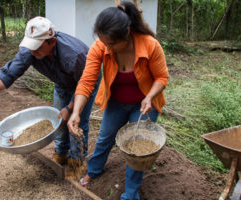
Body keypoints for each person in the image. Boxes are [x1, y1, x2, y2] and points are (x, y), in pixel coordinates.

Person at [0, 16, 100, 174]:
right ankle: (61, 153)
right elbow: (8, 74)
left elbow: (87, 83)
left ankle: (77, 163)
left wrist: (70, 108)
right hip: (62, 83)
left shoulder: (74, 55)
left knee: (77, 123)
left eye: (37, 47)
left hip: (86, 82)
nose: (33, 51)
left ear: (51, 41)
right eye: (31, 46)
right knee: (59, 119)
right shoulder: (30, 51)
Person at [67, 1, 169, 199]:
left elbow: (162, 78)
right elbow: (87, 81)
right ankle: (93, 171)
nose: (107, 48)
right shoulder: (100, 46)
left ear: (127, 33)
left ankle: (131, 193)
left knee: (136, 148)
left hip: (144, 105)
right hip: (116, 102)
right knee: (105, 137)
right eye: (104, 43)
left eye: (112, 44)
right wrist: (76, 112)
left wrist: (149, 97)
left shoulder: (149, 45)